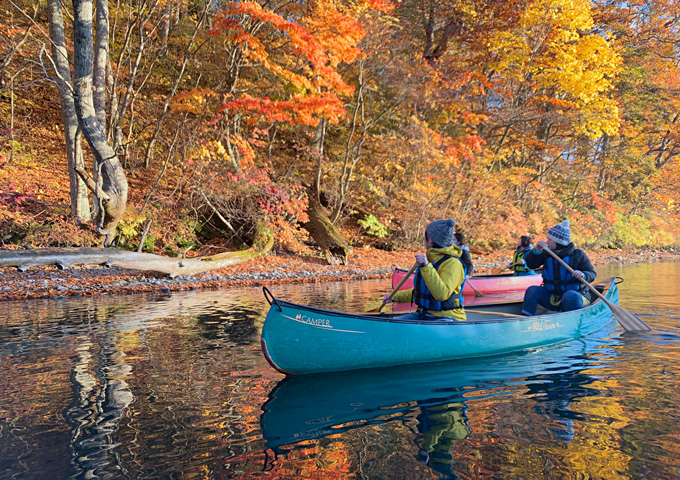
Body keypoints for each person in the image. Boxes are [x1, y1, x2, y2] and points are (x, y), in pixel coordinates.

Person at [383, 219, 467, 321]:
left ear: (431, 241)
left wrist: (426, 266)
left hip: (448, 317)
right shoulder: (432, 261)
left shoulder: (453, 264)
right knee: (394, 324)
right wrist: (395, 297)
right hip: (424, 315)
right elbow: (421, 293)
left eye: (424, 237)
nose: (423, 239)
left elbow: (442, 295)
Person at [521, 220, 596, 316]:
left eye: (549, 240)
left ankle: (575, 320)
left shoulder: (578, 254)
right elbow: (531, 264)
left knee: (570, 296)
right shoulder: (546, 253)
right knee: (532, 290)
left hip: (577, 296)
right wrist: (536, 251)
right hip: (553, 297)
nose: (547, 242)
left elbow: (592, 274)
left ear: (558, 242)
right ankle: (525, 319)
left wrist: (583, 275)